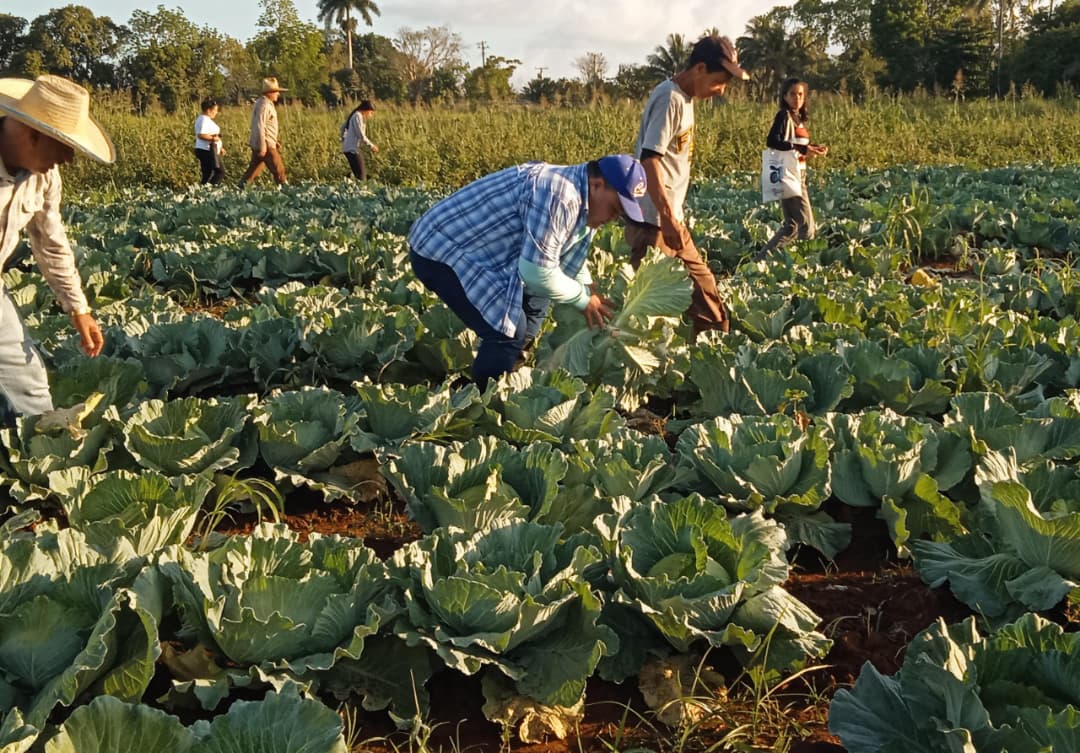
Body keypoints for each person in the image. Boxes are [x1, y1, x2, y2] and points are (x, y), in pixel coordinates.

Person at [409, 154, 647, 389]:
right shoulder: (560, 194)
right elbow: (536, 272)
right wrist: (583, 300)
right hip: (442, 248)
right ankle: (478, 401)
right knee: (507, 331)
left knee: (536, 303)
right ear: (596, 185)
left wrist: (586, 283)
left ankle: (506, 368)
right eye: (616, 208)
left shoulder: (588, 201)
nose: (615, 218)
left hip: (489, 250)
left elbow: (560, 247)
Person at [0, 74, 109, 420]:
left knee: (27, 380)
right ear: (33, 135)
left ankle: (44, 452)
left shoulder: (44, 176)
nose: (69, 160)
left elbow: (50, 242)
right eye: (63, 148)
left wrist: (79, 308)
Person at [627, 34, 749, 336]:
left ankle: (708, 361)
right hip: (652, 222)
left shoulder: (685, 98)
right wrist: (667, 218)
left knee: (703, 291)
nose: (720, 91)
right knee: (640, 310)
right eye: (719, 82)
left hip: (666, 219)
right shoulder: (670, 98)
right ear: (700, 69)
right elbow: (649, 160)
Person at [757, 78, 828, 258]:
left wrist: (813, 148)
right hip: (790, 175)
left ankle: (759, 260)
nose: (797, 98)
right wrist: (802, 148)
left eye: (800, 94)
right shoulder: (784, 116)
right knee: (806, 224)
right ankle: (808, 261)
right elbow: (773, 141)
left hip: (796, 173)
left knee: (792, 226)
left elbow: (795, 144)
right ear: (784, 96)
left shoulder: (797, 118)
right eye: (793, 94)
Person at [238, 77, 287, 187]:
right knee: (279, 171)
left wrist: (274, 141)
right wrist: (263, 146)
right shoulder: (264, 105)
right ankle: (287, 192)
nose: (278, 94)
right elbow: (260, 125)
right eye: (276, 92)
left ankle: (241, 189)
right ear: (270, 92)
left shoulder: (264, 103)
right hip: (266, 144)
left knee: (253, 171)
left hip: (266, 142)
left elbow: (265, 126)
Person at [341, 99, 378, 180]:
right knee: (362, 176)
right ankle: (348, 180)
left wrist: (344, 139)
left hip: (350, 148)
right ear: (367, 110)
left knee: (359, 173)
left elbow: (342, 127)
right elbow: (361, 135)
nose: (371, 115)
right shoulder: (358, 116)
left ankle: (348, 181)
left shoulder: (355, 115)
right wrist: (371, 146)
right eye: (371, 113)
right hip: (352, 149)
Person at [193, 98, 225, 185]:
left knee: (207, 173)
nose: (216, 112)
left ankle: (202, 191)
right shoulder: (203, 120)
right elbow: (201, 135)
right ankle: (209, 190)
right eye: (215, 110)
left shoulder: (205, 120)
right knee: (220, 172)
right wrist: (213, 139)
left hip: (208, 149)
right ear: (208, 110)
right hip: (207, 150)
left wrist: (220, 147)